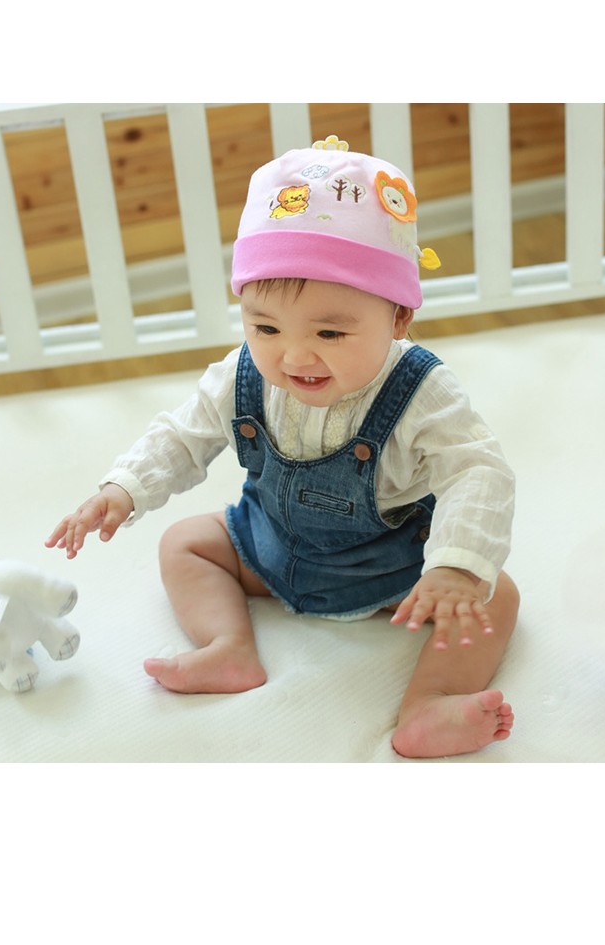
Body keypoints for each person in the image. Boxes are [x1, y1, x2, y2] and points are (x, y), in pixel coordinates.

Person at [46, 137, 519, 758]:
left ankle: (430, 702)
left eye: (330, 332)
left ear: (399, 317)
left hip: (392, 576)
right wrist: (123, 489)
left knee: (495, 596)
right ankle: (228, 648)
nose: (295, 356)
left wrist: (454, 570)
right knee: (185, 542)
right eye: (265, 327)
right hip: (267, 549)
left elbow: (477, 470)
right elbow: (183, 435)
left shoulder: (421, 391)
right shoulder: (241, 374)